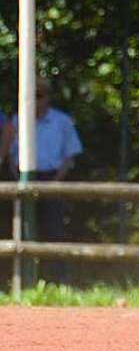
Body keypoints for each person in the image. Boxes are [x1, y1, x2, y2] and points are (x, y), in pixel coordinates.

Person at [10, 77, 84, 281]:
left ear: (48, 98)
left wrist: (55, 183)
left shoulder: (62, 122)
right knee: (24, 231)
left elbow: (69, 157)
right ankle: (23, 280)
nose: (35, 101)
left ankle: (58, 280)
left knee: (55, 231)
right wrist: (18, 177)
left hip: (54, 179)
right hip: (25, 180)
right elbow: (11, 155)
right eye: (31, 96)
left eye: (39, 96)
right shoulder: (17, 121)